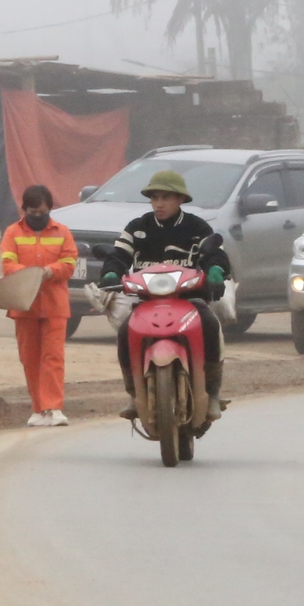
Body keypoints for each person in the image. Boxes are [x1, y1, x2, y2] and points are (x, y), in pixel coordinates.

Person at [98, 168, 233, 419]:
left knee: (210, 325)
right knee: (126, 332)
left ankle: (212, 393)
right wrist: (110, 274)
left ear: (181, 199)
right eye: (154, 198)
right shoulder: (137, 228)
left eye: (166, 198)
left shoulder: (197, 227)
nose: (159, 204)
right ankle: (134, 393)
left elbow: (217, 254)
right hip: (145, 301)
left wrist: (215, 269)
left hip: (189, 300)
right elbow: (118, 256)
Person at [0, 184, 77, 427]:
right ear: (25, 209)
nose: (37, 216)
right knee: (30, 358)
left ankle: (54, 408)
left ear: (49, 209)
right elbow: (7, 264)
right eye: (32, 212)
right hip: (24, 305)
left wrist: (49, 272)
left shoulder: (62, 232)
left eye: (42, 211)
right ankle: (37, 410)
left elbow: (69, 263)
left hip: (55, 305)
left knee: (53, 357)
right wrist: (32, 274)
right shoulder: (12, 233)